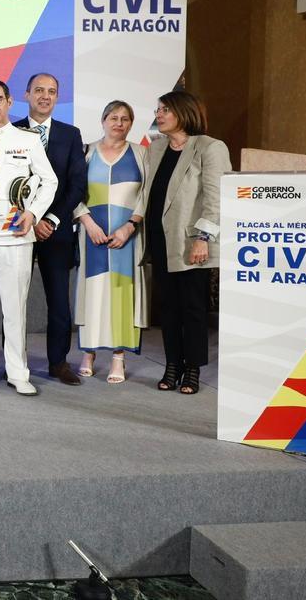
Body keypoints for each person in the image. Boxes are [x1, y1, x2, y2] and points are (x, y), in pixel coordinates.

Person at [0, 80, 58, 395]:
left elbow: (49, 180)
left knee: (15, 309)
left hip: (17, 237)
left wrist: (33, 214)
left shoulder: (28, 140)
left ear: (9, 101)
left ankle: (18, 373)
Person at [142, 91, 230, 396]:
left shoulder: (209, 147)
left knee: (192, 308)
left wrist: (203, 237)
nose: (159, 114)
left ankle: (192, 369)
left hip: (193, 242)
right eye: (158, 109)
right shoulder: (155, 148)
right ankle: (172, 366)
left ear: (183, 111)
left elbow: (216, 198)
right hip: (159, 239)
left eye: (165, 109)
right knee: (168, 308)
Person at [14, 72, 87, 386]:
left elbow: (76, 185)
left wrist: (51, 219)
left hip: (55, 231)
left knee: (59, 301)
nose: (45, 96)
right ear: (27, 94)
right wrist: (27, 218)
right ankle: (13, 362)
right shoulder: (9, 131)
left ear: (58, 97)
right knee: (14, 299)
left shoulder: (71, 135)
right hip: (16, 229)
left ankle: (58, 363)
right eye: (39, 90)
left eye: (52, 91)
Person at [73, 101, 148, 383]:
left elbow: (146, 195)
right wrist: (87, 221)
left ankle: (119, 357)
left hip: (125, 239)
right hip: (92, 236)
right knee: (92, 295)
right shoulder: (86, 152)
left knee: (122, 295)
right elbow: (73, 190)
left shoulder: (141, 154)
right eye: (113, 117)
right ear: (103, 120)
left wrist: (130, 227)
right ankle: (88, 353)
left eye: (125, 119)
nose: (119, 123)